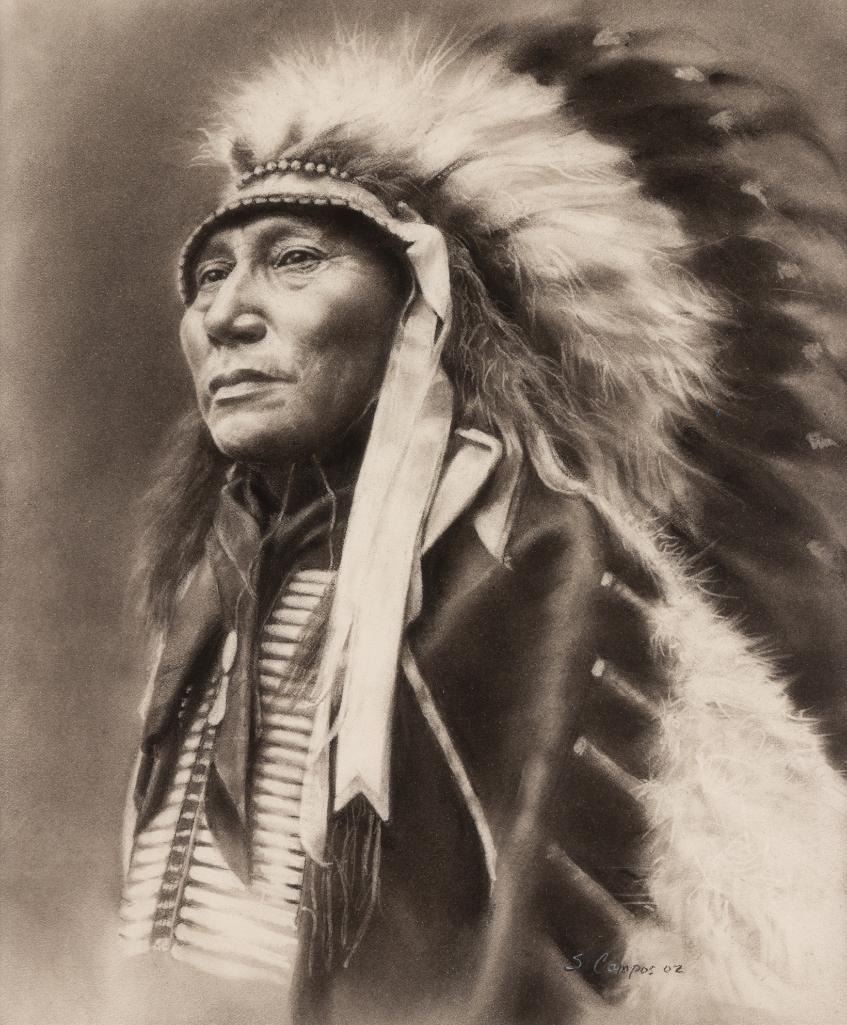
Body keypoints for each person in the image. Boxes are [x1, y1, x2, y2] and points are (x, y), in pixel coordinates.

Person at [120, 22, 847, 1025]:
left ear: (420, 308)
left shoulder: (524, 551)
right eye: (209, 275)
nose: (225, 314)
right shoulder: (225, 575)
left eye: (293, 259)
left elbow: (554, 949)